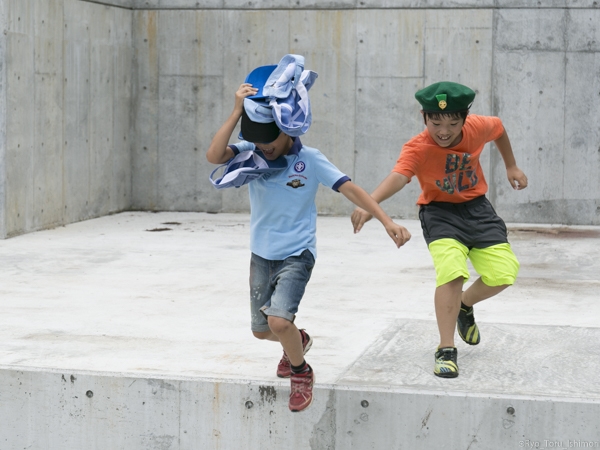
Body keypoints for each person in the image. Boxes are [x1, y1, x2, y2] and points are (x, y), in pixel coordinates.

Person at [206, 69, 411, 412]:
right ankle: (297, 342)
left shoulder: (309, 160)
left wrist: (386, 220)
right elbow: (214, 156)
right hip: (261, 254)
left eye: (269, 140)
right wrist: (236, 112)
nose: (262, 147)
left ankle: (301, 371)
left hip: (297, 254)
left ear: (289, 131)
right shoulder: (251, 152)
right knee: (261, 331)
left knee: (279, 321)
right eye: (256, 140)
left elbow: (351, 189)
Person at [351, 81, 528, 378]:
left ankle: (464, 305)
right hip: (439, 213)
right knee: (453, 271)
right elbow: (398, 177)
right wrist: (371, 205)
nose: (444, 131)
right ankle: (446, 348)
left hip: (478, 209)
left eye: (452, 123)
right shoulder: (418, 147)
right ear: (424, 117)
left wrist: (511, 165)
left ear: (465, 119)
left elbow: (498, 129)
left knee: (504, 273)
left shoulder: (478, 127)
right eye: (436, 123)